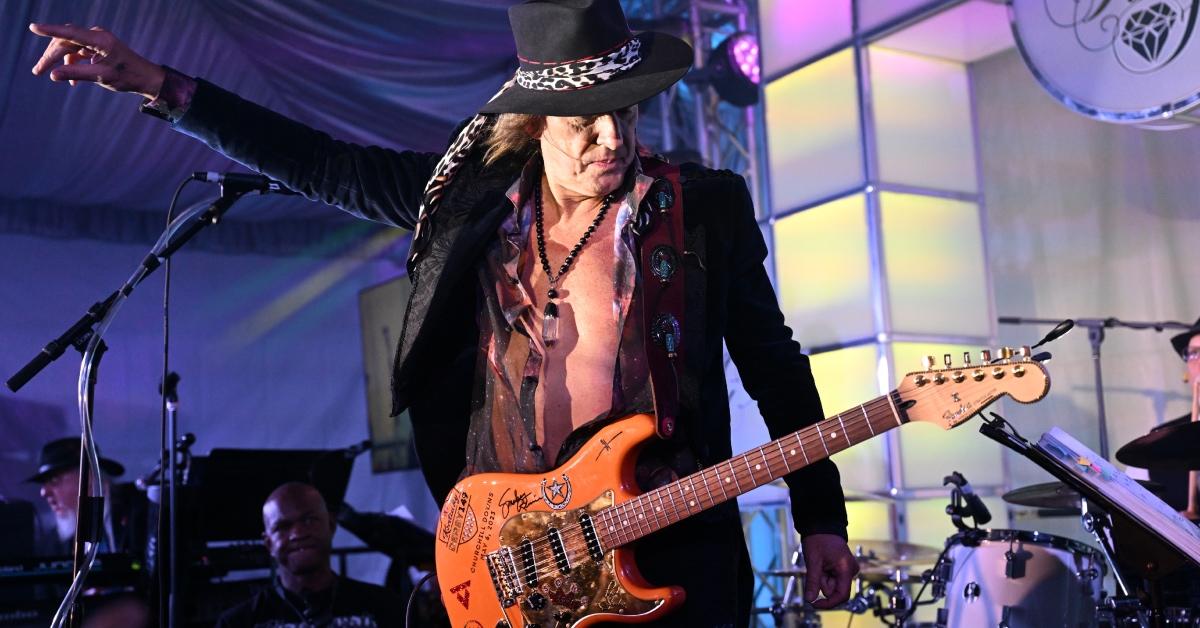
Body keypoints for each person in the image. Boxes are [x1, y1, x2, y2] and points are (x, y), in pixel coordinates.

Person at [30, 1, 858, 623]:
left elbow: (774, 363)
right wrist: (162, 86)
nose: (611, 136)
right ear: (534, 119)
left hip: (672, 544)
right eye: (585, 118)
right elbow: (325, 163)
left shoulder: (702, 207)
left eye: (627, 109)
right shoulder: (467, 205)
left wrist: (820, 515)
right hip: (512, 554)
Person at [216, 482, 404, 627]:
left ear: (331, 525)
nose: (298, 534)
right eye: (283, 526)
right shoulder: (237, 623)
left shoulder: (386, 607)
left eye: (309, 520)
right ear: (268, 543)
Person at [25, 436, 143, 556]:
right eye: (43, 484)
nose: (44, 492)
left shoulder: (142, 511)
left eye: (54, 480)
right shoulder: (51, 544)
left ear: (89, 477)